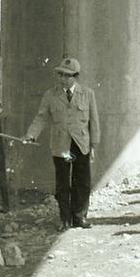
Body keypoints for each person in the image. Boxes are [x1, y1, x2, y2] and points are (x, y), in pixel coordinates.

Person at [24, 58, 100, 231]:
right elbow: (41, 117)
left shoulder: (88, 94)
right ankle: (65, 219)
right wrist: (31, 134)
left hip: (80, 144)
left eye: (67, 76)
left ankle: (80, 217)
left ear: (76, 76)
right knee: (63, 183)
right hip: (61, 145)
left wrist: (93, 145)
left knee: (82, 182)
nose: (62, 79)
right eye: (60, 75)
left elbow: (94, 122)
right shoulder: (50, 95)